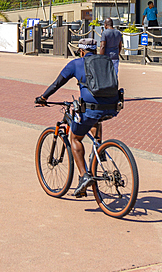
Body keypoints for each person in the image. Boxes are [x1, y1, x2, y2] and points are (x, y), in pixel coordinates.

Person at [35, 39, 120, 198]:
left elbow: (57, 84)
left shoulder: (75, 64)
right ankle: (98, 148)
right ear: (95, 50)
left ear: (81, 51)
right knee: (94, 120)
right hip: (112, 107)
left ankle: (84, 176)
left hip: (90, 109)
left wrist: (43, 97)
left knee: (75, 138)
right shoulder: (105, 62)